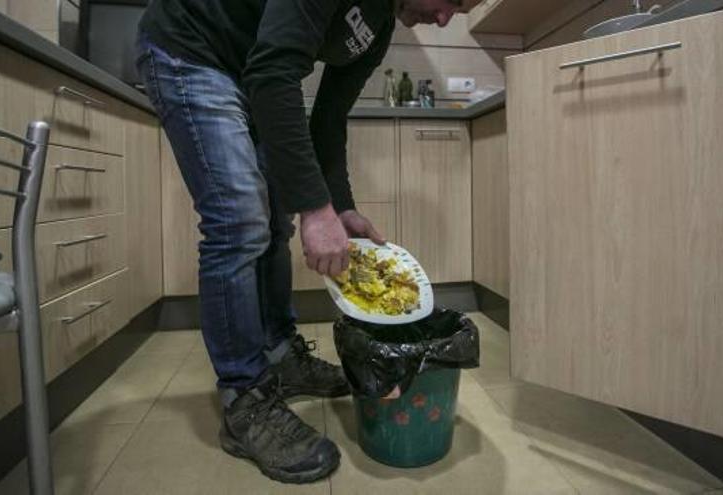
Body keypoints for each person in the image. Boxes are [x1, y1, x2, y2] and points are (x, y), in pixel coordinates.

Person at [136, 0, 479, 483]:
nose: (446, 19)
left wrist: (338, 206)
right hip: (191, 50)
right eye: (453, 1)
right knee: (238, 222)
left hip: (252, 72)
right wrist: (315, 209)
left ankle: (279, 356)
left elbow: (329, 118)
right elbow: (276, 71)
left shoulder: (376, 31)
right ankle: (244, 400)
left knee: (275, 222)